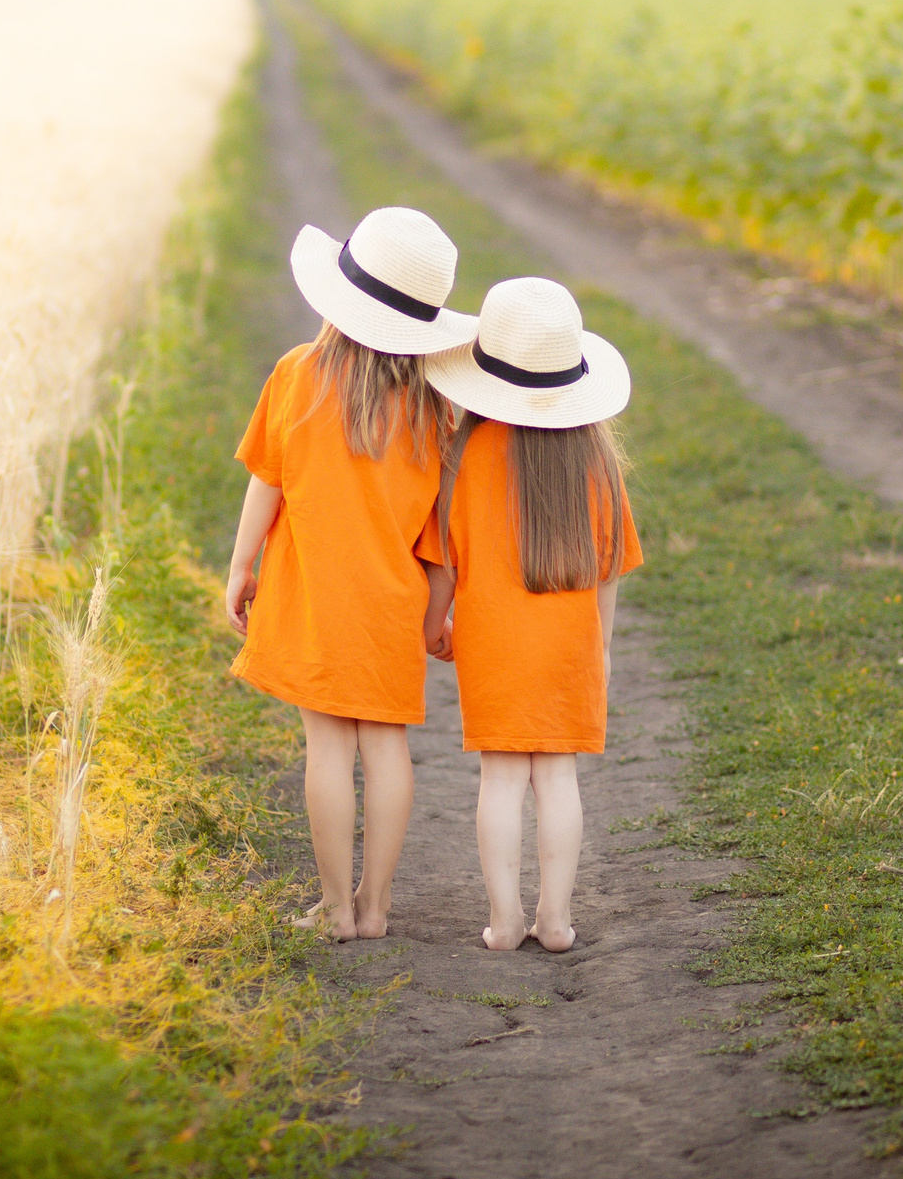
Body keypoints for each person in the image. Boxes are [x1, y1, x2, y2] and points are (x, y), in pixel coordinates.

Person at [225, 206, 478, 940]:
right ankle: (375, 908)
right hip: (390, 608)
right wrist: (436, 615)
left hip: (315, 600)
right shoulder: (436, 411)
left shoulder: (297, 375)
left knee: (328, 748)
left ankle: (334, 909)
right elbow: (440, 538)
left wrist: (244, 566)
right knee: (387, 747)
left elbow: (265, 481)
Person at [418, 276, 639, 954]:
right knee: (558, 778)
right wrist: (600, 644)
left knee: (502, 779)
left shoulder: (465, 453)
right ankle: (557, 921)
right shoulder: (596, 458)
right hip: (570, 644)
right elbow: (610, 565)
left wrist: (435, 622)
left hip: (494, 643)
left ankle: (505, 921)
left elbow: (444, 560)